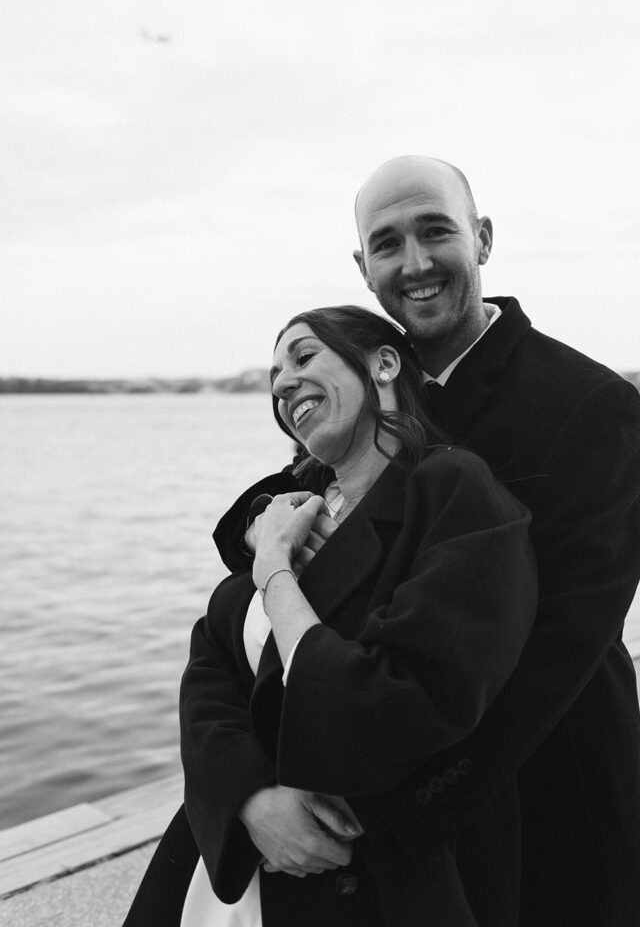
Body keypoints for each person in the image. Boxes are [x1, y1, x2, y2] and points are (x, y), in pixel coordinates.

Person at [209, 156, 640, 926]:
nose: (414, 263)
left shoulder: (588, 403)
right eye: (387, 244)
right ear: (363, 266)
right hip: (379, 796)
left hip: (546, 793)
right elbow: (271, 516)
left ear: (481, 239)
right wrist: (248, 789)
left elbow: (565, 643)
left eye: (436, 231)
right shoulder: (367, 388)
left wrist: (375, 804)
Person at [124, 305, 538, 927]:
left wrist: (276, 577)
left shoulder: (453, 491)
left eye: (303, 356)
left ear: (384, 363)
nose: (282, 382)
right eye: (273, 374)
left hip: (364, 875)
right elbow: (212, 666)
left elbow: (400, 699)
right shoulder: (287, 511)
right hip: (225, 871)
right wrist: (248, 797)